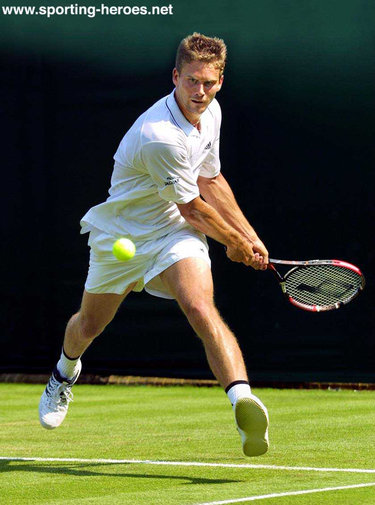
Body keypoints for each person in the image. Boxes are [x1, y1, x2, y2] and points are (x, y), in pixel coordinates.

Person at [39, 32, 270, 457]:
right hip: (122, 235)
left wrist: (249, 236)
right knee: (89, 326)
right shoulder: (159, 134)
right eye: (192, 81)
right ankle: (63, 373)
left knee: (200, 306)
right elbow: (195, 210)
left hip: (171, 232)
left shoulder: (211, 113)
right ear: (175, 76)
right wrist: (233, 243)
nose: (200, 92)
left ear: (221, 80)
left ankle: (243, 402)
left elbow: (211, 180)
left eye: (209, 82)